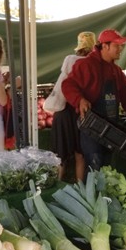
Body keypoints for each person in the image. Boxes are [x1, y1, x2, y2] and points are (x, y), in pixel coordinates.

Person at [61, 29, 126, 175]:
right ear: (105, 46)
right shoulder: (86, 65)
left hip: (111, 127)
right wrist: (80, 100)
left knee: (106, 167)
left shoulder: (116, 70)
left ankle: (104, 197)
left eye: (121, 46)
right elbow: (68, 85)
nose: (120, 49)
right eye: (117, 46)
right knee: (94, 164)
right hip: (91, 127)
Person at [46, 31, 96, 181]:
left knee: (60, 156)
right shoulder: (94, 64)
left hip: (63, 112)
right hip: (82, 112)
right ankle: (81, 189)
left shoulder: (69, 60)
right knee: (80, 155)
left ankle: (56, 186)